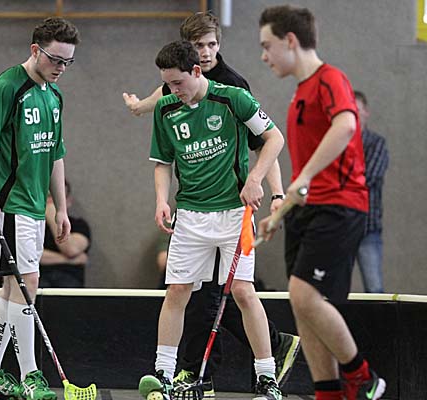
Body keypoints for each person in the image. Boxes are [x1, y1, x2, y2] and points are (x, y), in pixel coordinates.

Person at [124, 12, 300, 394]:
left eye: (177, 83)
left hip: (234, 214)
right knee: (178, 292)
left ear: (196, 70)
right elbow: (162, 162)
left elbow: (272, 139)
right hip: (190, 216)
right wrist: (161, 201)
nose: (172, 91)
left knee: (242, 292)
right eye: (167, 85)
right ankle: (165, 374)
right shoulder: (167, 106)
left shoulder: (233, 94)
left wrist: (261, 184)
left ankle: (267, 376)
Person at [257, 6, 386, 400]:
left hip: (339, 207)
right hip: (307, 210)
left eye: (267, 46)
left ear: (290, 41)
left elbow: (346, 125)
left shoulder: (330, 79)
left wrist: (304, 178)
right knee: (302, 307)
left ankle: (362, 375)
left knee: (303, 294)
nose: (264, 56)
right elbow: (304, 179)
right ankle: (327, 392)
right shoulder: (300, 93)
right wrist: (279, 213)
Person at [0, 17, 79, 400]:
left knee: (12, 289)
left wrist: (60, 208)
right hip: (8, 204)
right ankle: (31, 375)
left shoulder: (54, 95)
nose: (61, 67)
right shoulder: (7, 88)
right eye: (55, 59)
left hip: (33, 207)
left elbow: (56, 154)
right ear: (35, 50)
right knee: (27, 285)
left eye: (67, 62)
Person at [353, 91, 389, 294]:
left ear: (366, 112)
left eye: (357, 111)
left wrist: (340, 183)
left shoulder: (376, 143)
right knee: (334, 287)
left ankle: (380, 319)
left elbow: (368, 179)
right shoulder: (336, 144)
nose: (354, 116)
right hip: (341, 226)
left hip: (368, 227)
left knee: (374, 287)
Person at [39, 180, 91, 288]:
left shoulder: (79, 225)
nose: (52, 202)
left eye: (58, 197)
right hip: (39, 278)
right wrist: (70, 260)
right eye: (49, 197)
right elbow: (30, 256)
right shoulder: (31, 227)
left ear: (68, 201)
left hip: (69, 280)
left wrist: (54, 218)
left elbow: (71, 249)